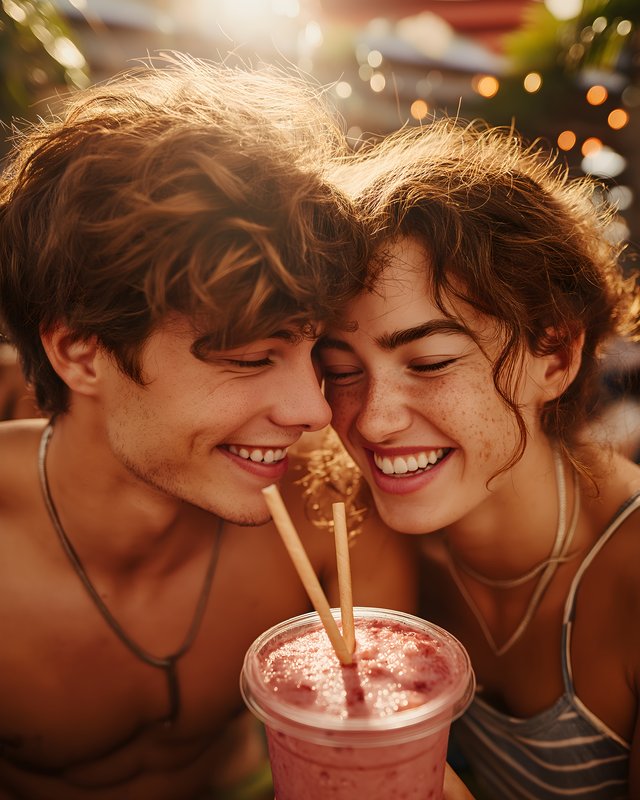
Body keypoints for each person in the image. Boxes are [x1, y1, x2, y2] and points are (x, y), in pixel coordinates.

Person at [0, 55, 419, 799]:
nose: (315, 412)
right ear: (79, 352)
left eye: (313, 352)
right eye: (252, 358)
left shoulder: (331, 516)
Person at [314, 119, 640, 798]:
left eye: (429, 362)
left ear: (554, 355)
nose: (372, 420)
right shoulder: (355, 538)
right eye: (341, 369)